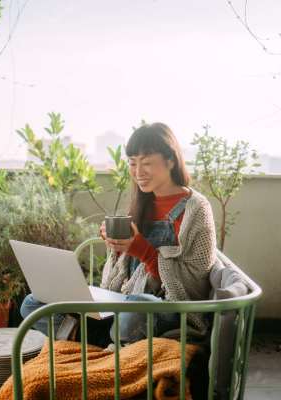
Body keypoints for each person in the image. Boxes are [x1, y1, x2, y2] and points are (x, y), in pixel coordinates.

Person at [21, 122, 220, 344]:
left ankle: (90, 337)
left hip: (167, 309)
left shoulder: (196, 208)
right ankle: (97, 337)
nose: (138, 172)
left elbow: (195, 281)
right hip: (126, 305)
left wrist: (141, 250)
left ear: (170, 161)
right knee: (32, 302)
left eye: (146, 163)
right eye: (132, 163)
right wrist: (116, 245)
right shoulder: (143, 203)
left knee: (138, 305)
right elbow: (125, 272)